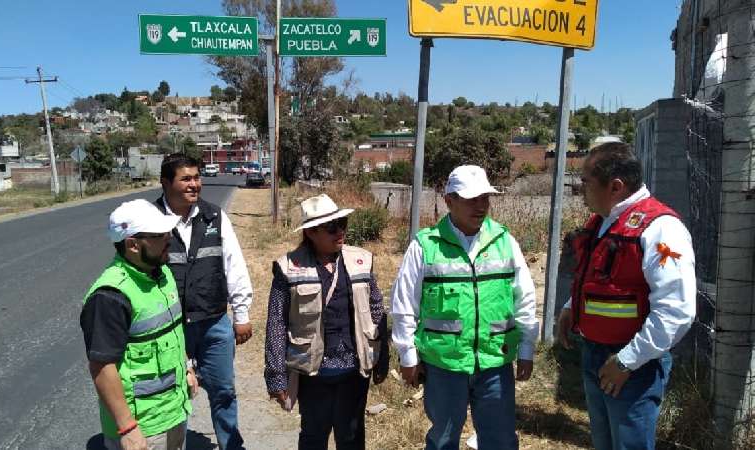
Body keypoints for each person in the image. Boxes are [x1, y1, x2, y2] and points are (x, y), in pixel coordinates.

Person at [557, 142, 696, 450]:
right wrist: (571, 307)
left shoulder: (662, 229)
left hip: (633, 364)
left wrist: (625, 362)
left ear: (615, 186)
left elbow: (676, 311)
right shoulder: (605, 219)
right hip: (596, 353)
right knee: (605, 443)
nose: (581, 189)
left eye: (586, 182)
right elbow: (597, 275)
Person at [391, 165, 539, 450]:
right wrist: (408, 355)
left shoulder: (505, 242)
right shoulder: (425, 246)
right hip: (444, 365)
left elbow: (525, 298)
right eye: (472, 199)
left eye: (484, 198)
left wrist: (526, 349)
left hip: (495, 362)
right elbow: (404, 304)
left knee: (501, 439)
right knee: (444, 439)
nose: (480, 206)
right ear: (449, 201)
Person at [264, 194, 389, 450]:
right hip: (314, 374)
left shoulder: (361, 260)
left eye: (342, 223)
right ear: (310, 232)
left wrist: (381, 357)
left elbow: (376, 309)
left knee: (352, 436)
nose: (340, 232)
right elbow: (276, 322)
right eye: (332, 227)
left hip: (354, 371)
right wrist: (276, 377)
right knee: (313, 434)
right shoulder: (288, 268)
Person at [80, 199, 198, 450]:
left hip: (174, 411)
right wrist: (127, 428)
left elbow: (171, 328)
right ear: (133, 244)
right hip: (142, 427)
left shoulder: (161, 272)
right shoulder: (110, 296)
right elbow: (102, 367)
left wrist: (187, 367)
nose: (170, 237)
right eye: (159, 234)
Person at [154, 154, 254, 449]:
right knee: (175, 396)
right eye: (186, 179)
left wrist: (241, 312)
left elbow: (234, 264)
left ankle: (231, 445)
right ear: (165, 183)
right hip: (171, 328)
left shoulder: (214, 216)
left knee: (224, 391)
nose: (194, 184)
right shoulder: (150, 221)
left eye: (197, 178)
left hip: (214, 324)